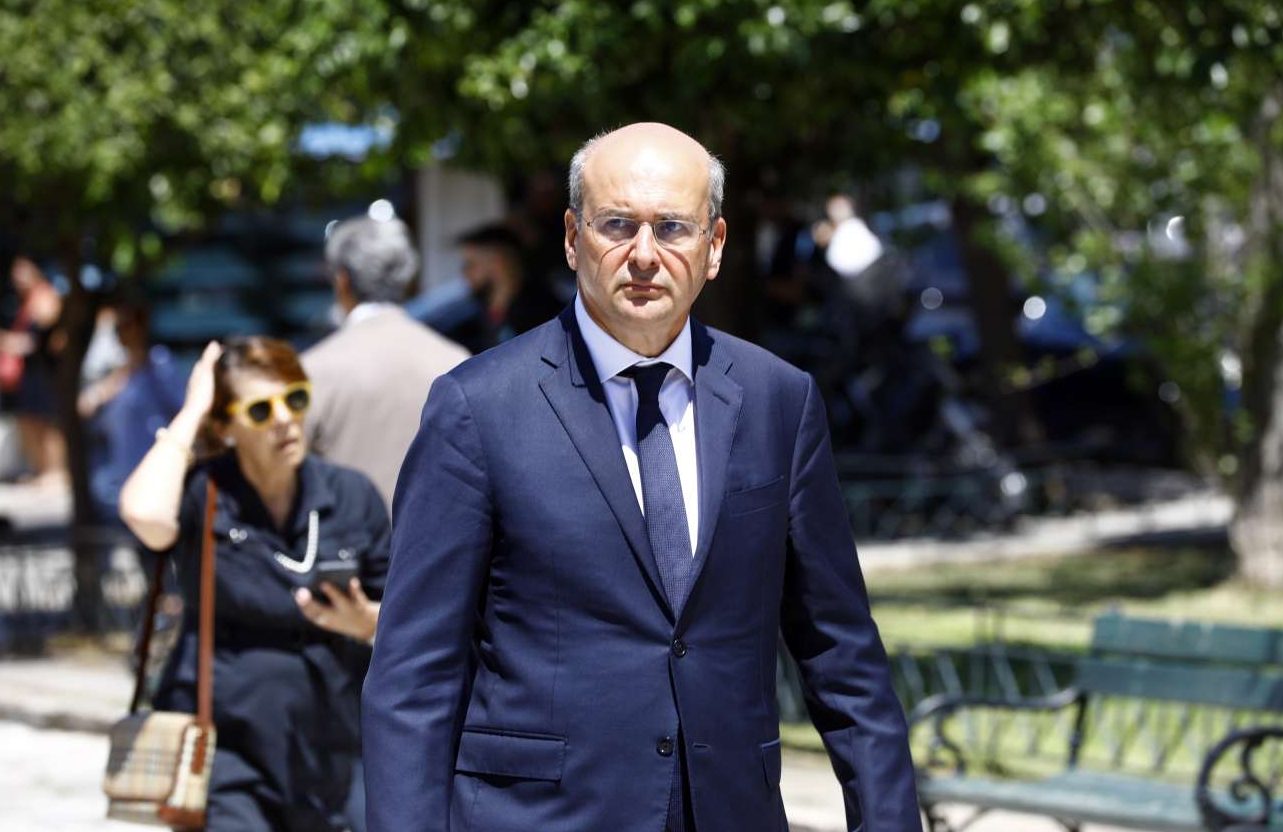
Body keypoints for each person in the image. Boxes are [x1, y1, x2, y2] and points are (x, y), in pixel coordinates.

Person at [363, 123, 920, 831]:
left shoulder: (778, 400)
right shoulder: (477, 408)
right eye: (617, 225)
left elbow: (842, 654)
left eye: (673, 228)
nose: (645, 255)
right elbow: (414, 676)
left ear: (714, 246)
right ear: (573, 238)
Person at [119, 337, 389, 832]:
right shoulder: (206, 492)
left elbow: (404, 616)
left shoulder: (351, 494)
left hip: (337, 751)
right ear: (225, 427)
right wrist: (193, 411)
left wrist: (365, 622)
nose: (285, 419)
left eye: (295, 399)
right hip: (230, 755)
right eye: (261, 410)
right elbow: (144, 513)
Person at [303, 215, 469, 511]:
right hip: (438, 535)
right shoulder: (458, 361)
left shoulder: (314, 369)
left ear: (342, 280)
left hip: (346, 537)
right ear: (407, 278)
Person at [404, 223, 561, 354]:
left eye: (470, 264)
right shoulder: (467, 314)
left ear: (497, 264)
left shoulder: (545, 315)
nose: (464, 273)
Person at [0, 255, 67, 486]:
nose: (18, 279)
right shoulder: (24, 302)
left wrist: (10, 341)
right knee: (29, 420)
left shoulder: (46, 296)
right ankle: (43, 470)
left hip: (43, 370)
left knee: (46, 423)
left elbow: (46, 332)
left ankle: (56, 473)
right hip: (28, 372)